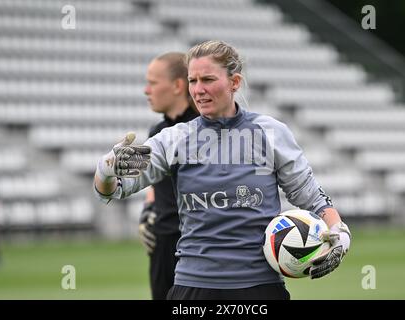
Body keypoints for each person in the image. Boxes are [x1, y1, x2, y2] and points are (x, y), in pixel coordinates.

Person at [94, 40, 351, 300]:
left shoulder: (271, 132)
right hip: (193, 288)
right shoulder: (173, 138)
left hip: (259, 288)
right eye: (193, 81)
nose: (198, 89)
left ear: (234, 82)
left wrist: (340, 233)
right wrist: (106, 170)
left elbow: (310, 197)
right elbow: (113, 190)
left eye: (207, 79)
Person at [138, 52, 198, 300]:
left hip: (196, 245)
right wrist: (148, 209)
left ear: (177, 86)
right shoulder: (158, 131)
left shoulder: (202, 128)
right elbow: (156, 180)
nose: (146, 90)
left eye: (153, 82)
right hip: (162, 246)